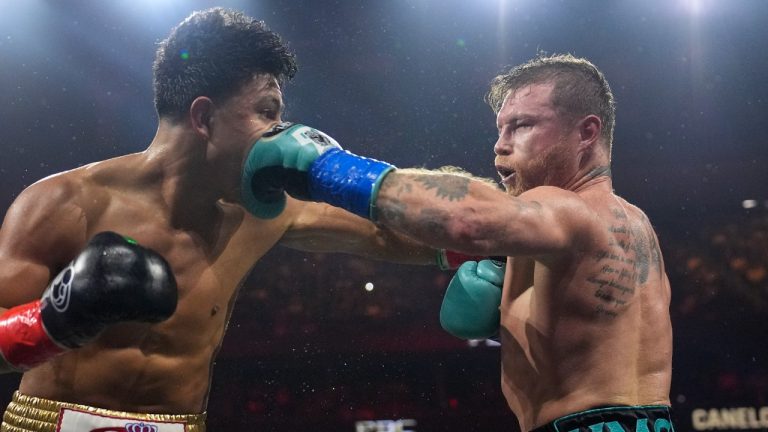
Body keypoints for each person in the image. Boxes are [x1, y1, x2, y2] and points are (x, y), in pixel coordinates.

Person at [0, 8, 476, 432]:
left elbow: (386, 232)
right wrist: (54, 320)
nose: (279, 133)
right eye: (266, 113)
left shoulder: (264, 212)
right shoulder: (63, 204)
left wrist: (486, 243)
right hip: (48, 422)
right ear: (204, 117)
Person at [245, 54, 674, 432]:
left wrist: (326, 167)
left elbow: (468, 220)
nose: (500, 146)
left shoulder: (566, 208)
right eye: (500, 129)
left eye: (523, 125)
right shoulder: (631, 224)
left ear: (587, 132)